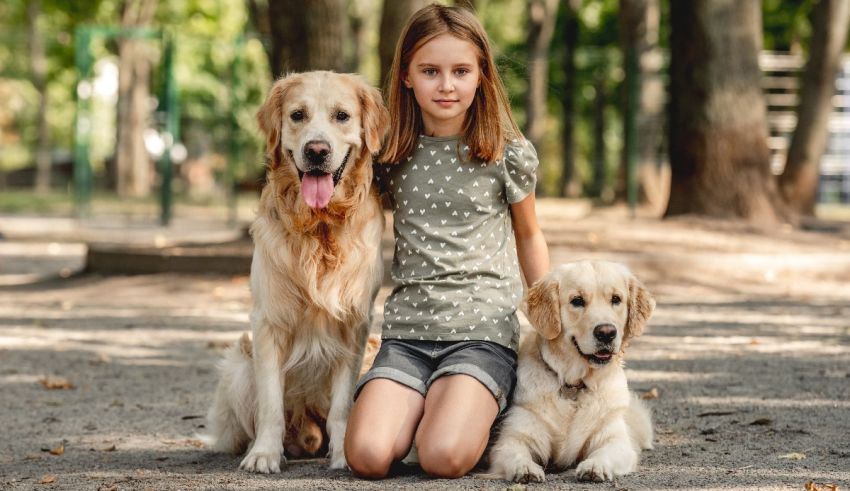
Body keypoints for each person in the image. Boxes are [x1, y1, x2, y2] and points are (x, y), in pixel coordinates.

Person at [344, 3, 550, 479]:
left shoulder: (505, 152)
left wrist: (547, 323)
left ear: (481, 75)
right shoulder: (390, 154)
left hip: (481, 334)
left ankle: (475, 408)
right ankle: (432, 404)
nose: (447, 85)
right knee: (368, 457)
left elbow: (529, 235)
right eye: (430, 71)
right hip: (407, 337)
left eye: (461, 71)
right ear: (406, 77)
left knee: (442, 458)